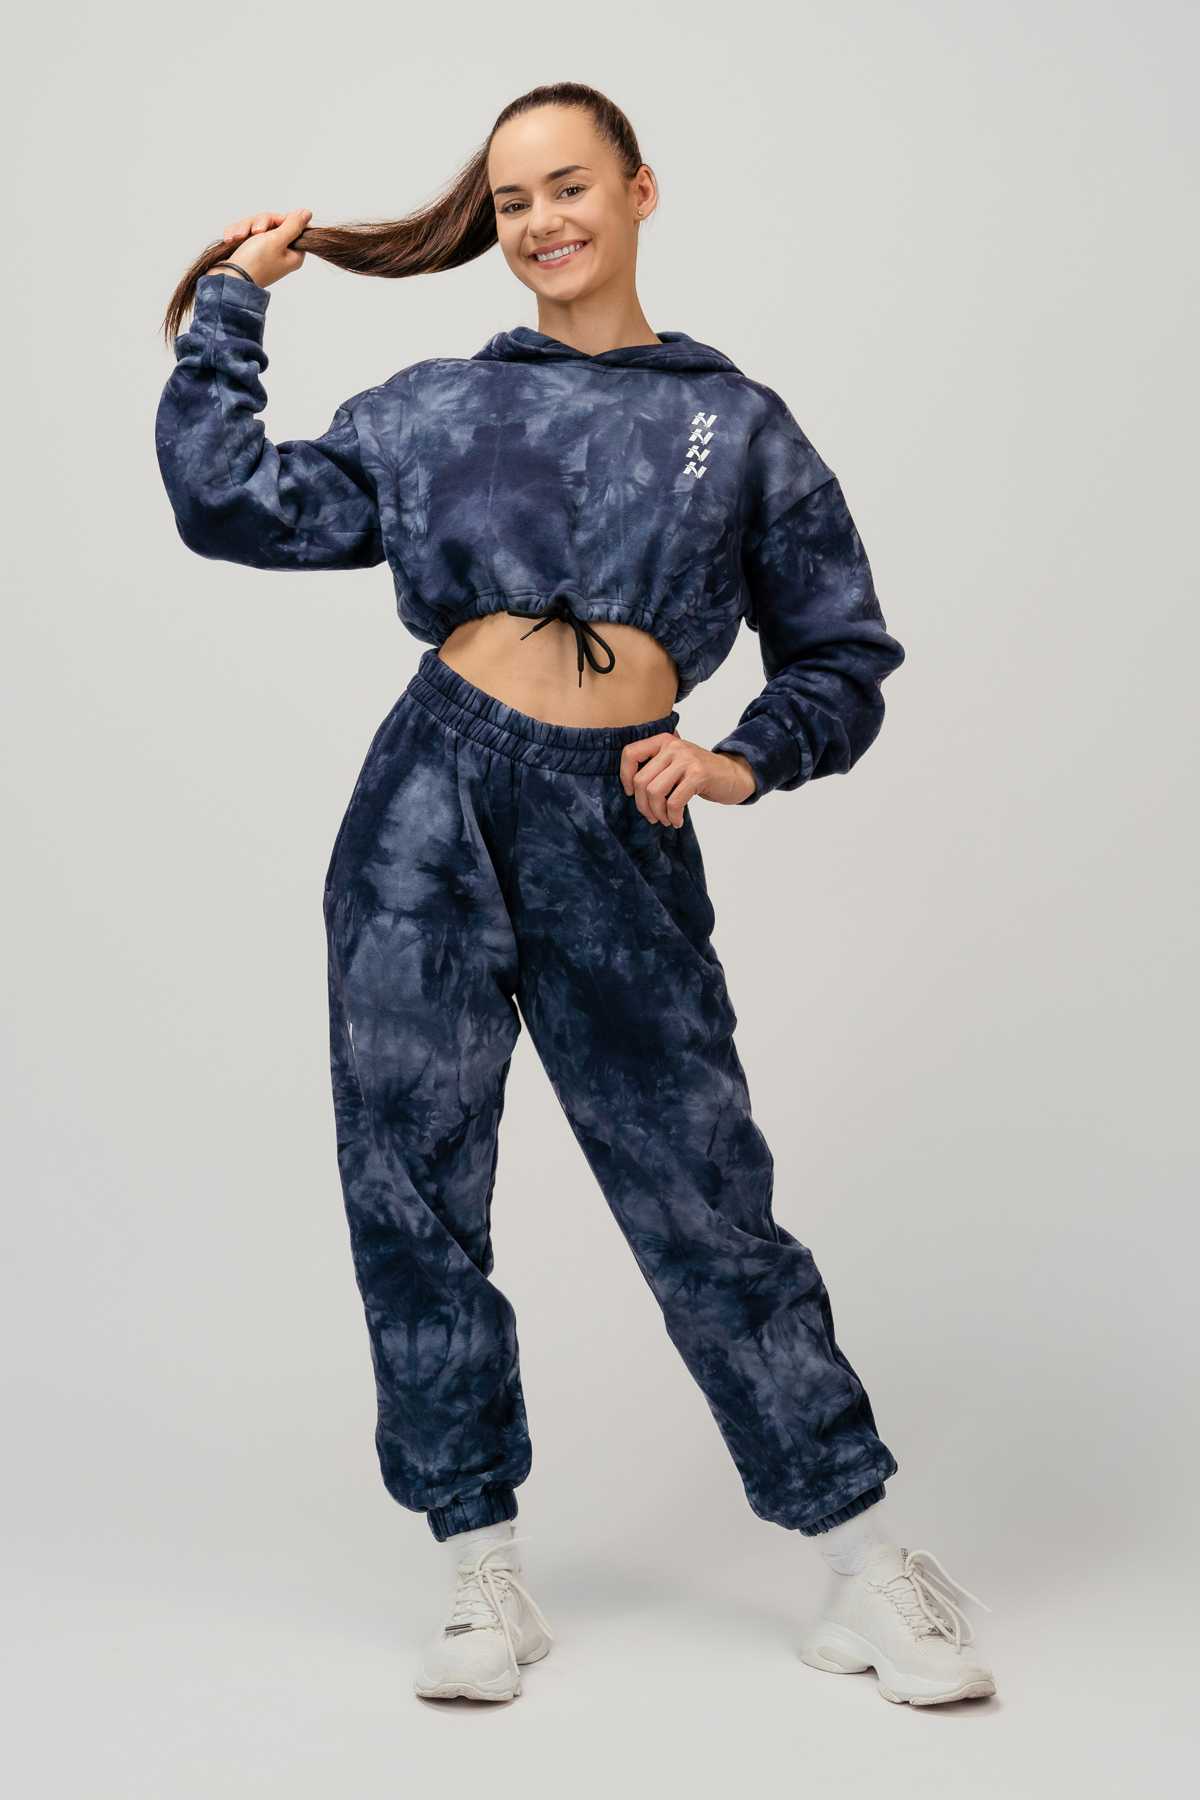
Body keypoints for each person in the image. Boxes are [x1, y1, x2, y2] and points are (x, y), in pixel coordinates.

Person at [154, 81, 996, 1709]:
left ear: (639, 192)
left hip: (616, 826)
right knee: (412, 1188)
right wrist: (238, 306)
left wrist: (743, 760)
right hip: (424, 811)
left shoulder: (739, 424)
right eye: (513, 199)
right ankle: (479, 1568)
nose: (542, 221)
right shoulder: (437, 406)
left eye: (570, 187)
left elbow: (842, 653)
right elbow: (229, 503)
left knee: (704, 1194)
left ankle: (862, 1560)